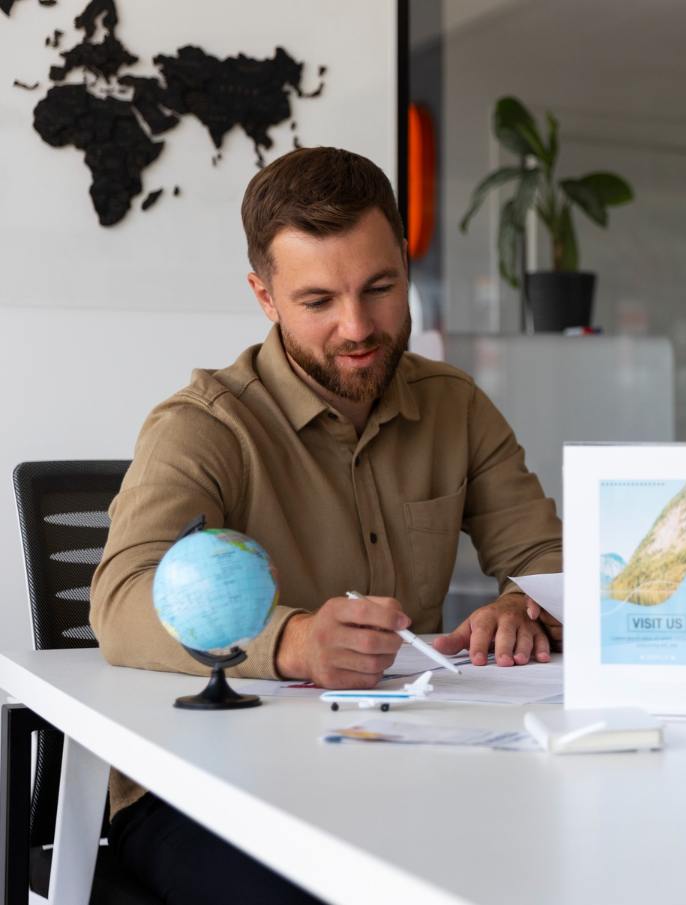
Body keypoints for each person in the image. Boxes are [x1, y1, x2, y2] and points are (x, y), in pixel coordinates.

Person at [90, 147, 563, 902]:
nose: (357, 326)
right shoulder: (203, 426)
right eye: (318, 301)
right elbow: (119, 601)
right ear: (265, 296)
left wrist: (522, 603)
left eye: (380, 287)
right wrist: (295, 640)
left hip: (407, 757)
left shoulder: (456, 404)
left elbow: (543, 554)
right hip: (206, 787)